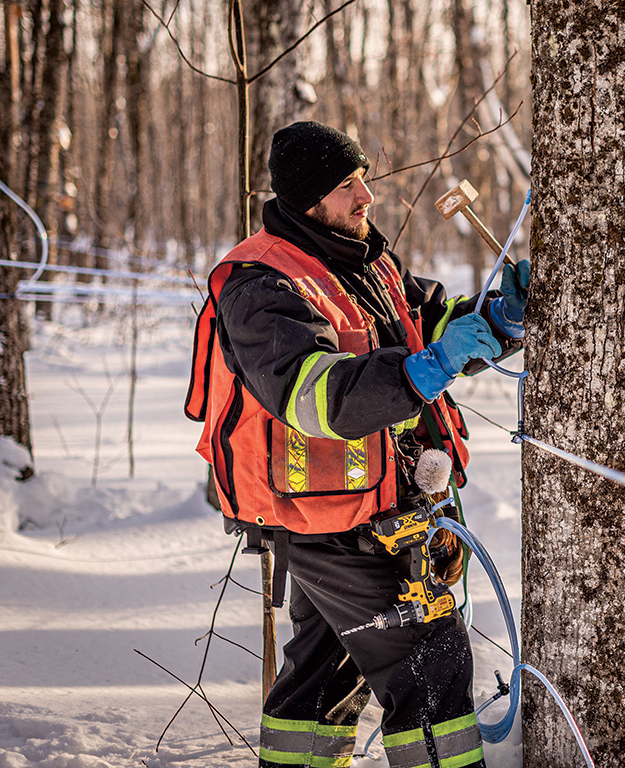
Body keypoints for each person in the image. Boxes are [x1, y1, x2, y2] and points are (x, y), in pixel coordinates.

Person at [186, 121, 528, 768]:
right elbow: (318, 396)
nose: (366, 197)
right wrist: (424, 369)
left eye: (364, 179)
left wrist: (495, 319)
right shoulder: (260, 285)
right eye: (347, 185)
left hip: (366, 506)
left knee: (322, 682)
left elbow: (425, 320)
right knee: (430, 672)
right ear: (308, 199)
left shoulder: (359, 258)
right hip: (331, 519)